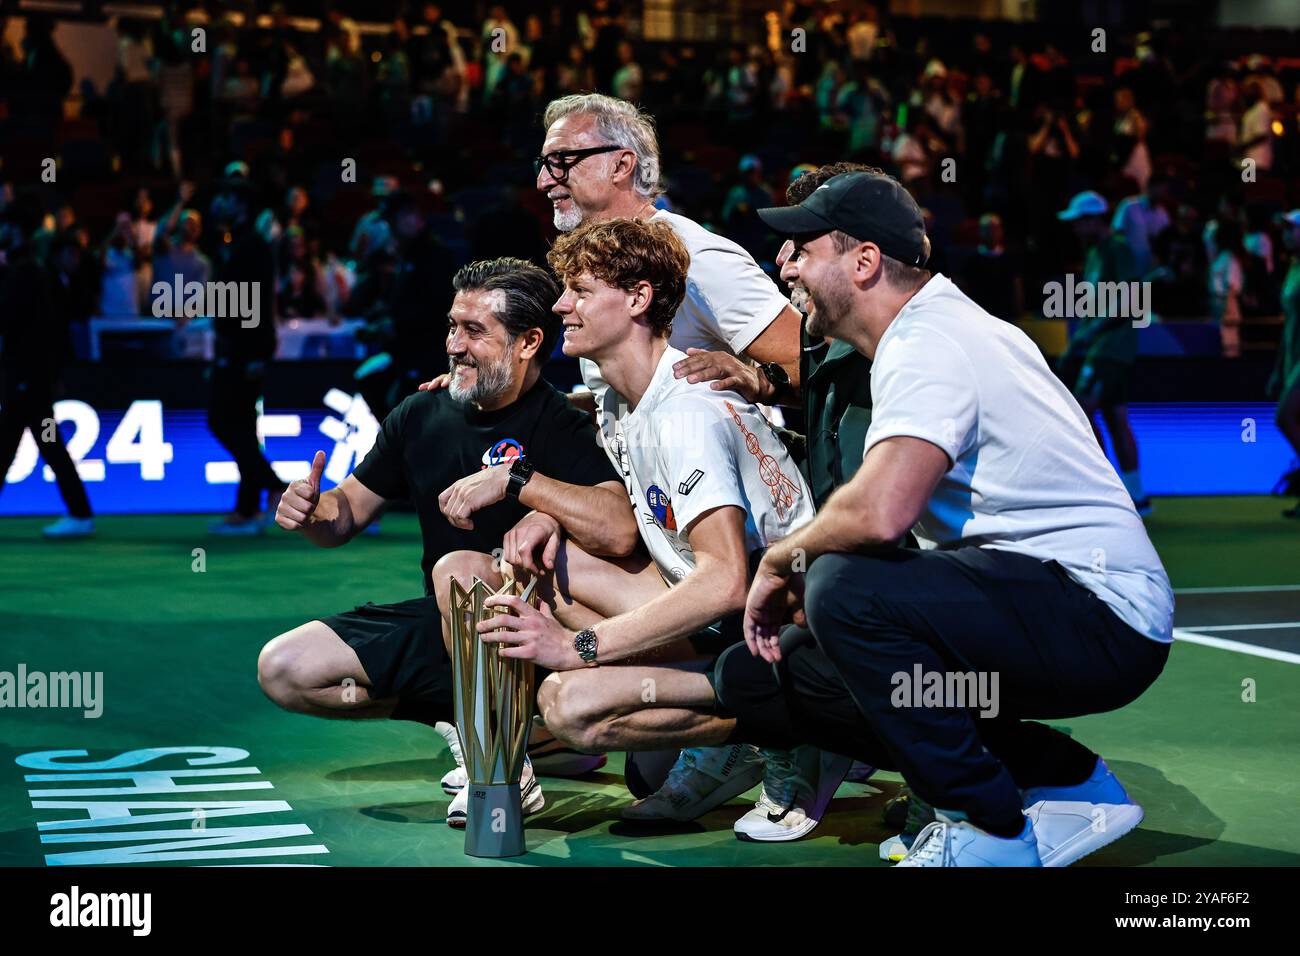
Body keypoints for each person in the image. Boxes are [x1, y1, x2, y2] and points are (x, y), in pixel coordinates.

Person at [709, 170, 1172, 867]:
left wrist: (779, 562)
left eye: (802, 247)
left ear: (864, 262)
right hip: (1048, 603)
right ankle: (1065, 780)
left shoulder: (930, 339)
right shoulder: (921, 333)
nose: (785, 263)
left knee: (843, 587)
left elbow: (882, 512)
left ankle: (990, 828)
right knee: (786, 675)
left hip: (1102, 612)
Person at [432, 219, 847, 842]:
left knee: (571, 705)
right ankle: (732, 734)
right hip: (715, 613)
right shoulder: (627, 397)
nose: (561, 304)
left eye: (578, 289)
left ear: (637, 299)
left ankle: (795, 731)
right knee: (501, 571)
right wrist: (540, 504)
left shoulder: (684, 412)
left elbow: (727, 580)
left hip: (780, 631)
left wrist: (579, 649)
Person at [257, 258, 627, 825]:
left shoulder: (561, 424)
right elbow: (347, 512)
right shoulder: (420, 413)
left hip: (546, 638)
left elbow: (620, 525)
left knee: (461, 567)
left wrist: (528, 488)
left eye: (475, 331)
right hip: (453, 630)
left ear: (528, 342)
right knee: (285, 667)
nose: (454, 344)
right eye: (453, 326)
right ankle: (502, 728)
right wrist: (311, 510)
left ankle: (503, 763)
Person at [1057, 190, 1150, 514]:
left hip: (1113, 349)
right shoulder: (1096, 253)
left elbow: (1131, 298)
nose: (1075, 229)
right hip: (1102, 348)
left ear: (1095, 220)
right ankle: (1136, 497)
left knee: (1082, 413)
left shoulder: (1118, 248)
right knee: (1115, 417)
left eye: (1079, 222)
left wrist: (1091, 333)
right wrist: (1083, 336)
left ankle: (1104, 491)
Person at [0, 232, 96, 538]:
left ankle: (80, 513)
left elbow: (38, 332)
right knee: (18, 445)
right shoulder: (39, 278)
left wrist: (41, 378)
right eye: (72, 254)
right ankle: (80, 512)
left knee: (40, 446)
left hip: (31, 382)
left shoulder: (42, 279)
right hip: (30, 380)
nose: (76, 261)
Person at [206, 177, 284, 534]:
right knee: (240, 428)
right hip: (232, 348)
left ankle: (275, 486)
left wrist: (255, 352)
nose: (219, 203)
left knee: (223, 421)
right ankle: (248, 508)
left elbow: (255, 302)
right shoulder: (232, 242)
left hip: (245, 350)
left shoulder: (251, 246)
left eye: (226, 197)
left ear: (240, 205)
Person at [1269, 210, 1300, 517]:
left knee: (1285, 417)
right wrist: (1279, 368)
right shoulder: (1292, 266)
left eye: (1292, 229)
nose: (1286, 235)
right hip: (1292, 357)